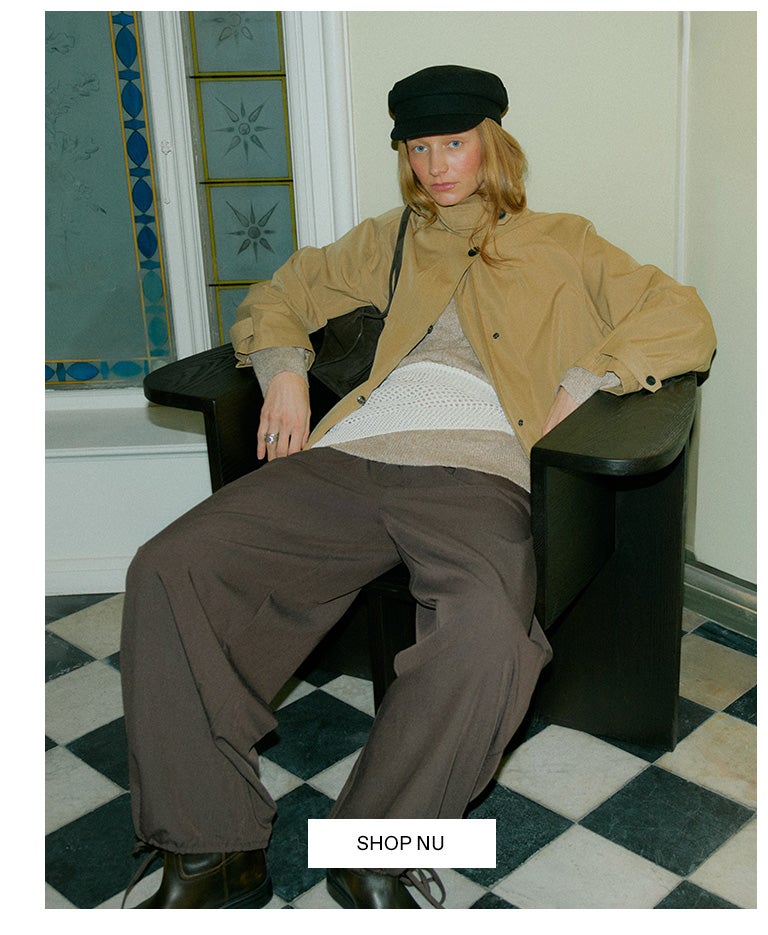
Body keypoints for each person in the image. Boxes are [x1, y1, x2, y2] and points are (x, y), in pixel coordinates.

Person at [120, 64, 716, 910]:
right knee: (168, 565)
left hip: (480, 473)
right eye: (419, 148)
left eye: (455, 144)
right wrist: (283, 369)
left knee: (490, 632)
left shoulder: (566, 242)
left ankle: (377, 845)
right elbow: (281, 293)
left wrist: (589, 377)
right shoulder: (391, 239)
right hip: (352, 455)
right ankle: (209, 846)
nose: (437, 166)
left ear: (493, 144)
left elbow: (682, 315)